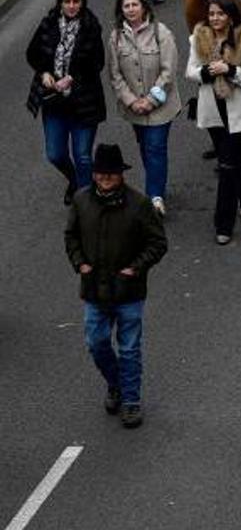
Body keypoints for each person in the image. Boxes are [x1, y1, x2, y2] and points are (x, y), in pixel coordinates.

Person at [65, 143, 168, 429]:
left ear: (120, 174)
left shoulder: (139, 204)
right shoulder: (81, 200)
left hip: (129, 291)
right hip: (94, 290)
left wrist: (134, 268)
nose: (105, 178)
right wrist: (80, 264)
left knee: (130, 349)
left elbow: (158, 243)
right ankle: (116, 384)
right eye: (100, 173)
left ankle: (131, 402)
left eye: (110, 173)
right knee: (96, 343)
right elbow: (70, 236)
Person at [186, 0, 241, 245]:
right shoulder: (199, 38)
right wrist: (208, 71)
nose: (215, 18)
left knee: (228, 164)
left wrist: (230, 70)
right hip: (212, 108)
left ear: (230, 15)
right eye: (211, 14)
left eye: (220, 14)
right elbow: (190, 71)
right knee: (230, 158)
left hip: (238, 109)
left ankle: (223, 224)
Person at [25, 0, 106, 203]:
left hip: (83, 102)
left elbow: (98, 62)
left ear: (83, 3)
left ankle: (87, 201)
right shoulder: (49, 23)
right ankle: (76, 180)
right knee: (55, 154)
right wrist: (43, 73)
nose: (71, 6)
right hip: (55, 103)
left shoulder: (91, 26)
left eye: (76, 1)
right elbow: (32, 53)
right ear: (60, 3)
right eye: (67, 1)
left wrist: (72, 78)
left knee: (82, 155)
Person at [171, 0, 241, 162]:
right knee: (207, 95)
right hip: (199, 42)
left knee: (218, 97)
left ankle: (228, 150)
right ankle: (220, 143)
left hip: (215, 46)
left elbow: (235, 8)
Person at [107, 0, 182, 216]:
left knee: (155, 147)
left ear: (144, 7)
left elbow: (169, 71)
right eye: (126, 6)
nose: (131, 10)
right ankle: (157, 184)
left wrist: (150, 100)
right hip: (134, 109)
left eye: (134, 5)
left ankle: (154, 198)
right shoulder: (116, 37)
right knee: (145, 146)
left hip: (161, 108)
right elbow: (115, 74)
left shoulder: (161, 33)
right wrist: (132, 102)